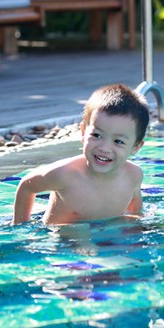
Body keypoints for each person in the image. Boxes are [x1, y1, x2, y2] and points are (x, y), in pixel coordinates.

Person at [13, 83, 150, 225]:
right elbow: (26, 186)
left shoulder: (133, 175)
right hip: (61, 235)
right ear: (83, 132)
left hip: (106, 233)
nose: (104, 148)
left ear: (135, 147)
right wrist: (20, 226)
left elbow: (136, 212)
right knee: (78, 231)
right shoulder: (65, 174)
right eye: (96, 135)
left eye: (118, 141)